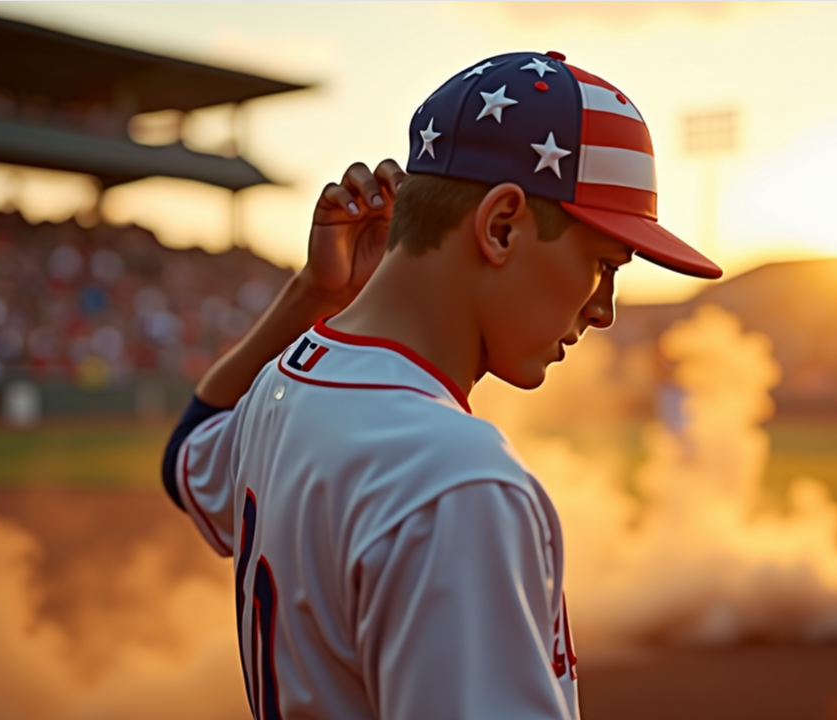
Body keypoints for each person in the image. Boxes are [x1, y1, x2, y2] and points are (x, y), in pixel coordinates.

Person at [161, 51, 722, 720]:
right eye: (603, 264)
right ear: (500, 225)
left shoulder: (283, 387)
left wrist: (315, 294)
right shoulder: (456, 480)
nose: (604, 309)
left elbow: (187, 454)